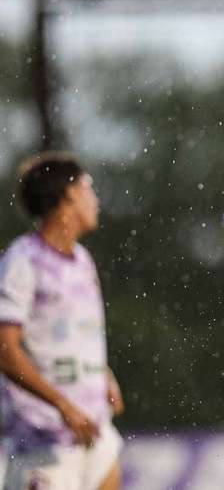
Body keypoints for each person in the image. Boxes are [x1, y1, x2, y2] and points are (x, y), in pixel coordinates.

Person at [0, 153, 124, 490]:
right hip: (42, 443)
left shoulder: (82, 260)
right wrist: (62, 406)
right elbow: (5, 351)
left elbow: (73, 335)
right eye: (88, 188)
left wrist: (103, 374)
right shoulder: (23, 260)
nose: (95, 199)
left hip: (93, 429)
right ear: (67, 196)